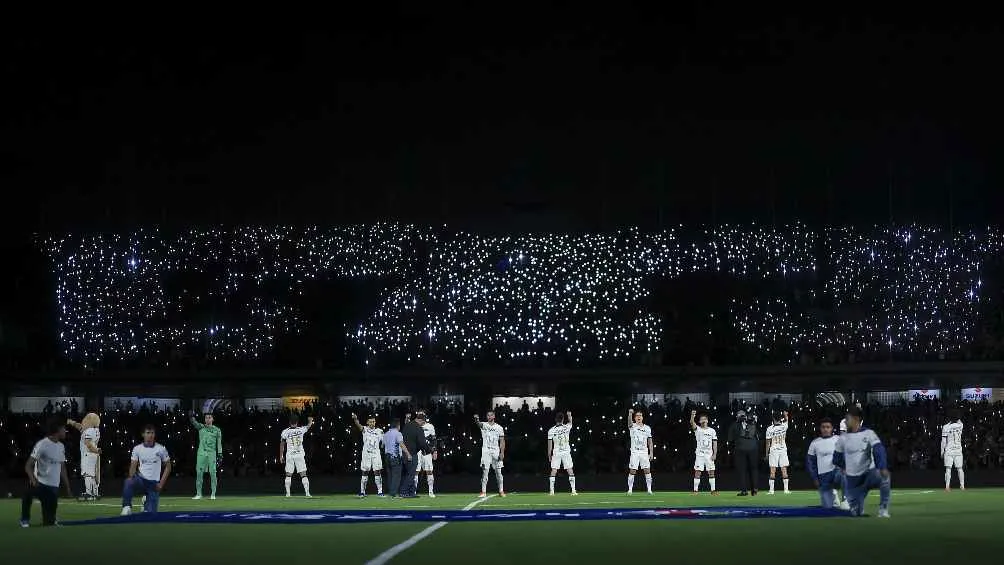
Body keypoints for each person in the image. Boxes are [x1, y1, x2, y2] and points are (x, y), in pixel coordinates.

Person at [833, 406, 891, 518]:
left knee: (885, 477)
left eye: (847, 419)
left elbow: (879, 449)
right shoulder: (843, 438)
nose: (846, 422)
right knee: (856, 513)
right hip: (854, 481)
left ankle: (883, 509)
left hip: (869, 474)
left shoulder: (869, 433)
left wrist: (882, 466)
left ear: (856, 419)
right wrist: (843, 467)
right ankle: (858, 507)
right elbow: (836, 458)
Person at [20, 417, 72, 527]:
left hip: (53, 488)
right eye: (63, 429)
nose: (65, 431)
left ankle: (50, 518)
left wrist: (67, 486)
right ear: (57, 430)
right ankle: (24, 519)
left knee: (49, 522)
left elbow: (62, 468)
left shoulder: (61, 446)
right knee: (27, 493)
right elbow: (28, 466)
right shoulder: (42, 444)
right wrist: (33, 480)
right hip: (40, 484)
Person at [120, 425, 172, 515]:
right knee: (128, 481)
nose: (150, 435)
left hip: (153, 484)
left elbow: (168, 467)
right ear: (143, 434)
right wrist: (132, 478)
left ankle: (146, 501)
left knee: (149, 514)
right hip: (141, 480)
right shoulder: (137, 449)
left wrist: (161, 484)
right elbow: (132, 467)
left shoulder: (161, 449)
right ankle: (127, 507)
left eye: (152, 433)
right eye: (148, 433)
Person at [806, 418, 847, 509]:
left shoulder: (838, 439)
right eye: (823, 427)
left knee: (845, 475)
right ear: (820, 428)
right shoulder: (814, 443)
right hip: (823, 477)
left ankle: (845, 500)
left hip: (836, 472)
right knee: (828, 508)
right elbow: (810, 463)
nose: (825, 429)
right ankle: (833, 493)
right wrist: (815, 478)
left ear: (832, 428)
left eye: (828, 427)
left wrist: (845, 467)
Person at [67, 412, 101, 500]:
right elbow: (80, 427)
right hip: (93, 455)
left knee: (87, 474)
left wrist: (96, 450)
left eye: (86, 419)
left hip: (88, 454)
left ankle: (89, 493)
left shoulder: (89, 431)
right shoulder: (95, 430)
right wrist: (71, 422)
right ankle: (95, 493)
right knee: (93, 474)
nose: (83, 421)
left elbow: (88, 444)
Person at [190, 410, 223, 500]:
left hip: (212, 454)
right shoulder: (201, 427)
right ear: (204, 419)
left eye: (209, 417)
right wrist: (192, 417)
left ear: (212, 419)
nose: (208, 419)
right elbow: (194, 423)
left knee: (213, 473)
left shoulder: (217, 430)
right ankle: (199, 494)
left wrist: (220, 455)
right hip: (201, 453)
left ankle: (213, 494)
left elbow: (219, 443)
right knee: (199, 473)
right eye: (206, 418)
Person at [280, 415, 314, 497]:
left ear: (289, 422)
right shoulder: (301, 429)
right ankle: (307, 493)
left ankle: (288, 494)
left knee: (288, 475)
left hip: (290, 455)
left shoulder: (285, 432)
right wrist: (310, 420)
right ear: (297, 422)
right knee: (303, 474)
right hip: (299, 454)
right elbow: (308, 426)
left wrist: (281, 456)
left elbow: (282, 444)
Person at [352, 413, 385, 497]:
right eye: (370, 422)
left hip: (376, 454)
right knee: (364, 472)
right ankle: (362, 492)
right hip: (366, 453)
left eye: (373, 422)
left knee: (377, 471)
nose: (372, 423)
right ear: (367, 422)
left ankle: (380, 492)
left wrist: (382, 445)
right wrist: (355, 419)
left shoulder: (379, 431)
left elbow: (383, 442)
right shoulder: (365, 429)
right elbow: (359, 426)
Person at [401, 412, 433, 498]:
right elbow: (422, 443)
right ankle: (404, 492)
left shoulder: (407, 425)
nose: (423, 424)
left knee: (408, 473)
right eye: (423, 422)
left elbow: (402, 437)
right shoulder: (419, 428)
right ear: (421, 420)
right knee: (411, 474)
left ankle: (412, 492)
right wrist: (430, 451)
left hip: (403, 452)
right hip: (412, 453)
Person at [475, 410, 506, 497]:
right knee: (485, 471)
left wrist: (502, 452)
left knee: (498, 472)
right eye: (488, 415)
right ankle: (483, 492)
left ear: (494, 416)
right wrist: (477, 419)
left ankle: (501, 491)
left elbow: (502, 441)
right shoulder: (484, 425)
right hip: (486, 451)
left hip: (496, 451)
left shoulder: (499, 428)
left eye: (491, 415)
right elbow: (479, 424)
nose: (489, 417)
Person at [727, 409, 758, 496]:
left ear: (737, 416)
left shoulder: (733, 425)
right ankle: (754, 489)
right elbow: (758, 435)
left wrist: (731, 450)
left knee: (742, 470)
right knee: (754, 469)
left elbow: (730, 439)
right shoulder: (752, 423)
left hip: (740, 448)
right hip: (753, 447)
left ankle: (744, 490)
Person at [547, 411, 577, 495]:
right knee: (570, 470)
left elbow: (550, 444)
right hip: (566, 452)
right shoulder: (566, 427)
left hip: (556, 452)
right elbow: (570, 422)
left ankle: (552, 491)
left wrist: (549, 454)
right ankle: (573, 491)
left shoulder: (551, 430)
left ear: (555, 419)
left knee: (554, 470)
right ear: (563, 419)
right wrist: (569, 415)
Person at [689, 410, 718, 494]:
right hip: (700, 454)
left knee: (711, 472)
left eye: (705, 419)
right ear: (699, 421)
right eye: (702, 419)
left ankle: (713, 490)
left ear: (707, 420)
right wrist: (692, 415)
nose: (703, 420)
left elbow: (715, 443)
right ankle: (695, 490)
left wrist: (714, 454)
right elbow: (692, 423)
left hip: (709, 455)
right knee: (698, 472)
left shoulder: (712, 431)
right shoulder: (697, 429)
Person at [626, 408, 654, 495]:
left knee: (647, 470)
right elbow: (629, 423)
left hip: (644, 452)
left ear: (642, 417)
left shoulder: (647, 428)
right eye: (637, 416)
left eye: (640, 415)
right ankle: (630, 489)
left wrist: (651, 452)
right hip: (635, 451)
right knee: (632, 471)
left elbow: (650, 441)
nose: (639, 417)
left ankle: (649, 489)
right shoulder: (632, 426)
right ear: (635, 418)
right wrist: (630, 414)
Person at [383, 418, 412, 499]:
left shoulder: (386, 434)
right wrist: (408, 454)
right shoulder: (398, 433)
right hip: (395, 457)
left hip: (387, 457)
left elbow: (382, 445)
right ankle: (393, 494)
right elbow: (401, 444)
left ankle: (390, 492)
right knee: (396, 476)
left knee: (390, 476)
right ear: (398, 426)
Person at [766, 410, 791, 494]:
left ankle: (771, 490)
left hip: (773, 451)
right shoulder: (784, 426)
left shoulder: (769, 429)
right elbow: (787, 420)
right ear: (780, 418)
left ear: (773, 418)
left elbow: (768, 443)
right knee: (784, 470)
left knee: (773, 470)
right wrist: (785, 415)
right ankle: (786, 490)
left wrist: (766, 454)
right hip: (783, 450)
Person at [941, 409, 965, 491]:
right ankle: (962, 486)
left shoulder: (945, 427)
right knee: (960, 468)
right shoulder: (961, 425)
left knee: (948, 468)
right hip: (958, 450)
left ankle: (947, 487)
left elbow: (943, 441)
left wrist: (942, 451)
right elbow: (959, 420)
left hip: (949, 450)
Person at [415, 415, 438, 498]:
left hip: (427, 451)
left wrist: (434, 451)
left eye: (418, 419)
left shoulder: (430, 426)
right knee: (416, 471)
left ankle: (431, 491)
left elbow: (434, 439)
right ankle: (413, 491)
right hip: (417, 451)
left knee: (429, 471)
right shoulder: (415, 426)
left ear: (423, 420)